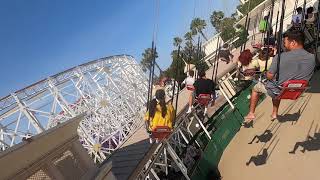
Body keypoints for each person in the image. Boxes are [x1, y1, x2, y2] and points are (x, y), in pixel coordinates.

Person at [244, 30, 315, 123]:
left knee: (256, 89)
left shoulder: (279, 57)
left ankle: (251, 113)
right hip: (298, 90)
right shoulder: (312, 57)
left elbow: (269, 76)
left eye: (285, 42)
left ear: (293, 43)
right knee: (278, 85)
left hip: (280, 90)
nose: (284, 45)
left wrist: (265, 73)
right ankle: (274, 113)